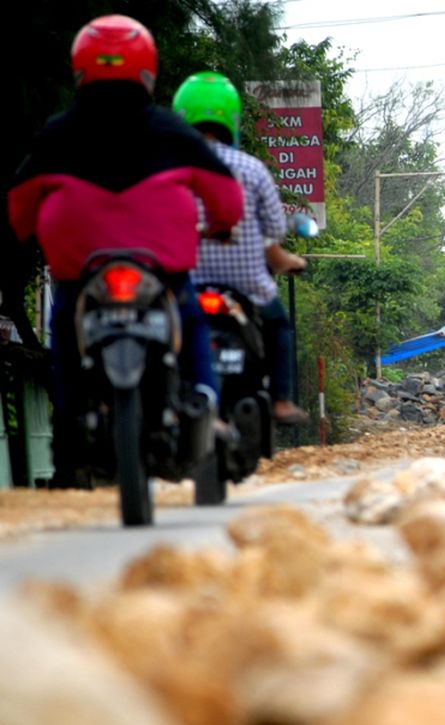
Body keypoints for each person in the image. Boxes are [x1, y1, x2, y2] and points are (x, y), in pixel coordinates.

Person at [7, 15, 244, 486]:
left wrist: (27, 230)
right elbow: (226, 197)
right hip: (163, 270)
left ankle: (71, 417)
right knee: (191, 317)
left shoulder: (57, 133)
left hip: (81, 273)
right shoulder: (171, 130)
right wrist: (220, 224)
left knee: (65, 329)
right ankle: (205, 403)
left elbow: (18, 206)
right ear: (148, 71)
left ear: (80, 71)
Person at [173, 71, 309, 425]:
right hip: (249, 285)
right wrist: (291, 260)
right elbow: (275, 232)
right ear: (232, 119)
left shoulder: (172, 171)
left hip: (186, 285)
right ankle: (280, 400)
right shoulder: (251, 169)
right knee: (278, 326)